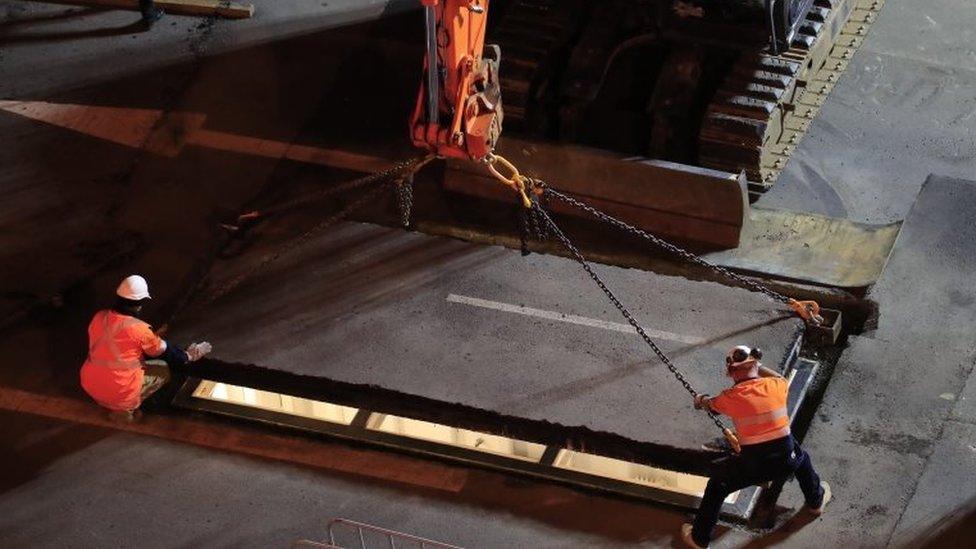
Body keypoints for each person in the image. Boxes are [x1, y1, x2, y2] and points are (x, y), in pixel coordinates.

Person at [681, 345, 831, 548]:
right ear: (756, 365)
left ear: (731, 372)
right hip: (786, 460)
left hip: (754, 467)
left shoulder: (730, 397)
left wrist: (700, 400)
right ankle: (815, 502)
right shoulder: (776, 386)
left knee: (718, 486)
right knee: (801, 457)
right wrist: (756, 366)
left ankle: (699, 539)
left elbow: (710, 405)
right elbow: (779, 377)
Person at [80, 275, 211, 421]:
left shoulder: (99, 317)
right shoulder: (139, 329)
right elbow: (164, 351)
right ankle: (125, 409)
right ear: (140, 303)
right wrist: (189, 356)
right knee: (162, 368)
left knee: (125, 362)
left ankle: (108, 400)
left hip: (90, 384)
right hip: (119, 390)